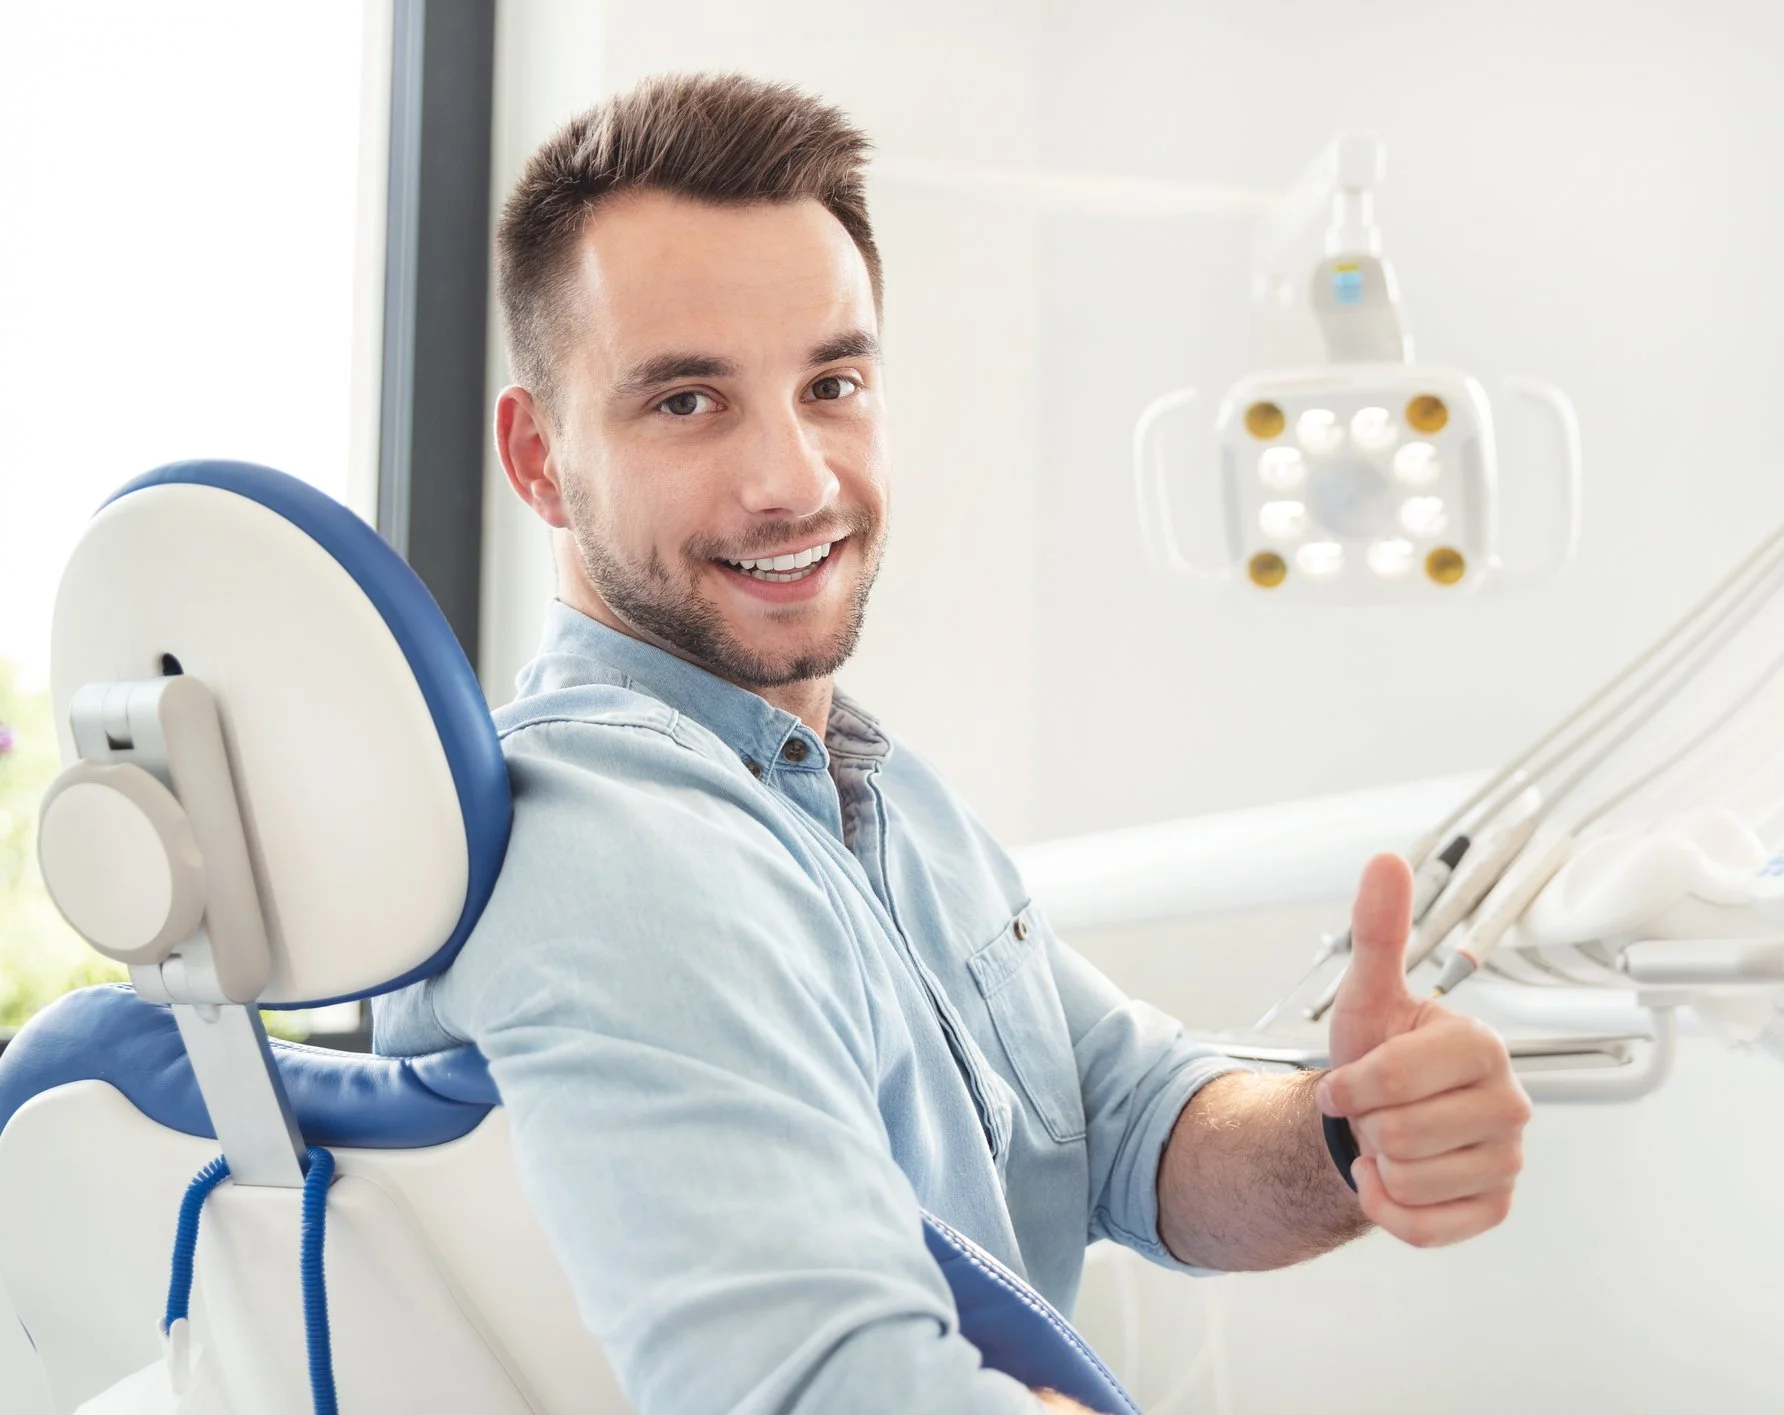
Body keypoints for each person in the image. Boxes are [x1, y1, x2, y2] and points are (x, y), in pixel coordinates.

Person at [374, 71, 1531, 1415]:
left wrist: (1346, 1129)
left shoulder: (878, 797)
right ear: (533, 457)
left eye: (833, 381)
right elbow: (824, 1390)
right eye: (687, 400)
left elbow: (1128, 1125)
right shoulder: (609, 846)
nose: (796, 478)